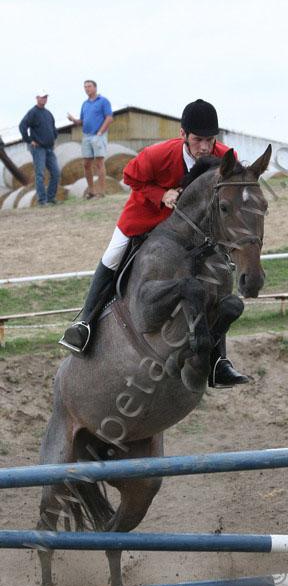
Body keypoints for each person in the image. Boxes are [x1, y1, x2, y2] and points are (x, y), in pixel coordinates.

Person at [60, 99, 249, 388]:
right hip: (146, 216)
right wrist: (161, 195)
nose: (204, 147)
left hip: (189, 230)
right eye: (197, 140)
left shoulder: (225, 157)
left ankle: (218, 362)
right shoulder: (157, 155)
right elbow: (129, 177)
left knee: (215, 276)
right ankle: (84, 323)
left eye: (210, 140)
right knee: (113, 255)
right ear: (183, 134)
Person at [67, 80, 113, 199]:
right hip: (86, 136)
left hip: (98, 135)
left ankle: (101, 192)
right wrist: (74, 120)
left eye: (89, 86)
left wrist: (100, 132)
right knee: (86, 164)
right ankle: (91, 191)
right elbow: (82, 121)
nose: (87, 89)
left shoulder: (103, 101)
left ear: (95, 88)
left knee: (99, 163)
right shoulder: (85, 104)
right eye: (85, 87)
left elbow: (109, 118)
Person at [19, 89, 60, 206]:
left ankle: (51, 198)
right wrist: (29, 140)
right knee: (40, 174)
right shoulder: (33, 112)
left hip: (49, 148)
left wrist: (54, 137)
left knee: (56, 173)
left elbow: (53, 127)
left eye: (46, 97)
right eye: (42, 97)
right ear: (37, 98)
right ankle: (42, 201)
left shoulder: (48, 113)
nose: (44, 99)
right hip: (38, 148)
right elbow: (22, 126)